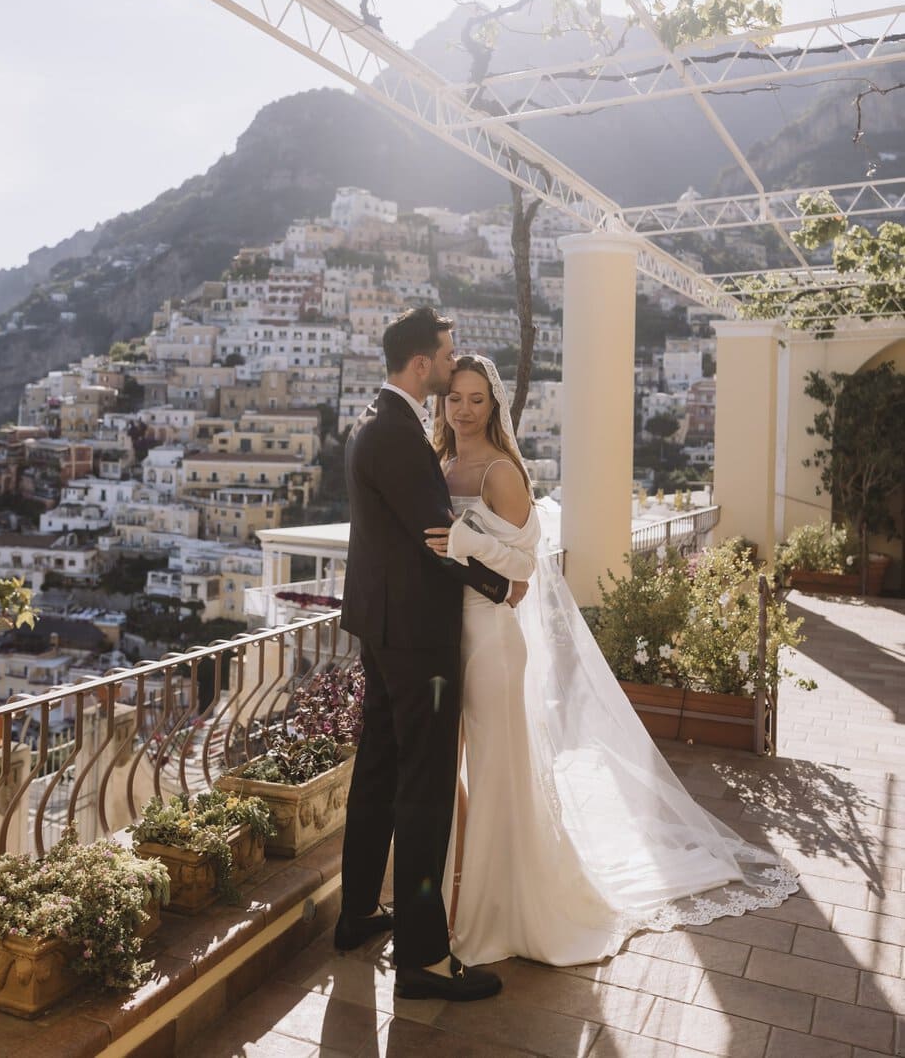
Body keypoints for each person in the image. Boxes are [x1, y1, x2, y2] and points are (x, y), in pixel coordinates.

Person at [425, 354, 799, 967]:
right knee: (455, 776)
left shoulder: (500, 471)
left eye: (476, 399)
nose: (463, 410)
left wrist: (465, 542)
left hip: (491, 638)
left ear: (493, 406)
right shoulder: (440, 466)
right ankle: (452, 894)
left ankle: (494, 913)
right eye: (454, 398)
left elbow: (524, 570)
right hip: (445, 636)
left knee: (495, 774)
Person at [334, 308, 525, 1002]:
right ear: (422, 364)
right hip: (418, 639)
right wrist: (501, 584)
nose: (452, 363)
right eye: (446, 355)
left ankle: (357, 913)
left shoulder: (371, 421)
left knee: (380, 771)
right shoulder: (400, 435)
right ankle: (423, 958)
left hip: (380, 628)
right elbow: (437, 538)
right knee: (426, 786)